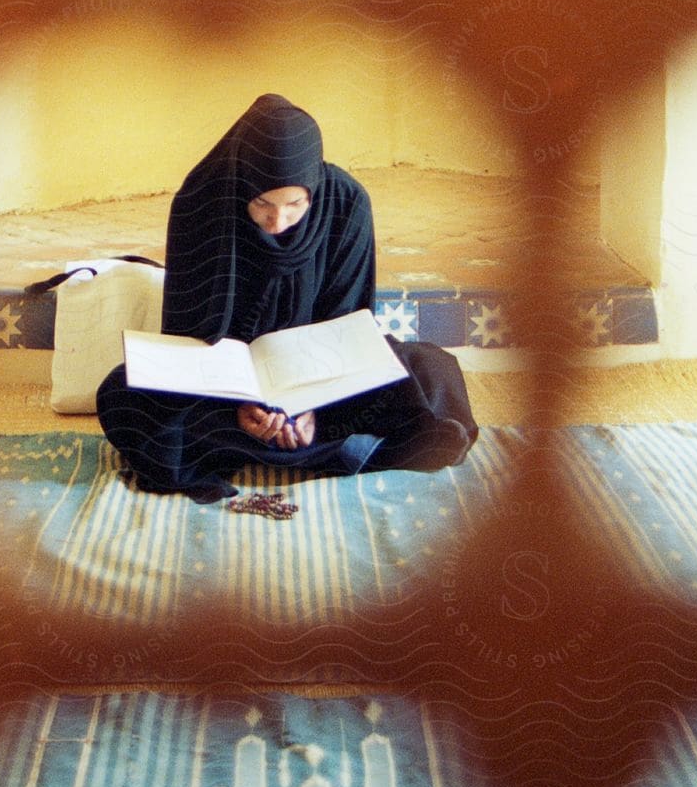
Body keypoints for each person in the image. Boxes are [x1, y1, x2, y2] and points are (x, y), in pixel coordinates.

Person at [96, 93, 478, 501]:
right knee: (123, 394)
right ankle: (333, 448)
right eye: (262, 204)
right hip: (226, 386)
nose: (278, 222)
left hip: (323, 380)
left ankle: (312, 439)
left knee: (431, 370)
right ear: (244, 185)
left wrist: (313, 406)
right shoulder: (202, 200)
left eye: (295, 204)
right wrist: (242, 407)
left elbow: (348, 324)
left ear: (313, 187)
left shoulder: (347, 203)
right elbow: (189, 333)